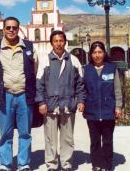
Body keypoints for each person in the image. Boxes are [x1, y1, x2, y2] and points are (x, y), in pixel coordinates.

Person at [0, 16, 38, 171]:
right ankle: (5, 164)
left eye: (14, 28)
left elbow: (34, 70)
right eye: (8, 28)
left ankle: (23, 163)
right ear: (3, 29)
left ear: (18, 29)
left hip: (24, 95)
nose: (11, 30)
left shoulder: (28, 47)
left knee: (25, 132)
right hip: (5, 96)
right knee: (5, 133)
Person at [36, 30, 86, 171]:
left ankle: (66, 164)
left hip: (68, 105)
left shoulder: (74, 61)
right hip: (50, 106)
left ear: (65, 42)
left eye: (61, 40)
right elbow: (39, 84)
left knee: (67, 138)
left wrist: (80, 101)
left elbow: (80, 84)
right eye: (55, 41)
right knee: (50, 138)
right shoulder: (45, 60)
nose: (58, 43)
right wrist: (41, 102)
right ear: (51, 43)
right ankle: (51, 164)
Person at [83, 41, 122, 171]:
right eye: (94, 52)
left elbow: (117, 89)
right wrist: (81, 102)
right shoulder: (87, 70)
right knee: (94, 141)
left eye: (100, 52)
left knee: (107, 141)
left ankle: (107, 165)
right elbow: (83, 90)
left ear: (104, 53)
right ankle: (96, 164)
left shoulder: (112, 68)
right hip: (92, 111)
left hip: (108, 111)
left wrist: (118, 106)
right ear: (91, 54)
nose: (97, 55)